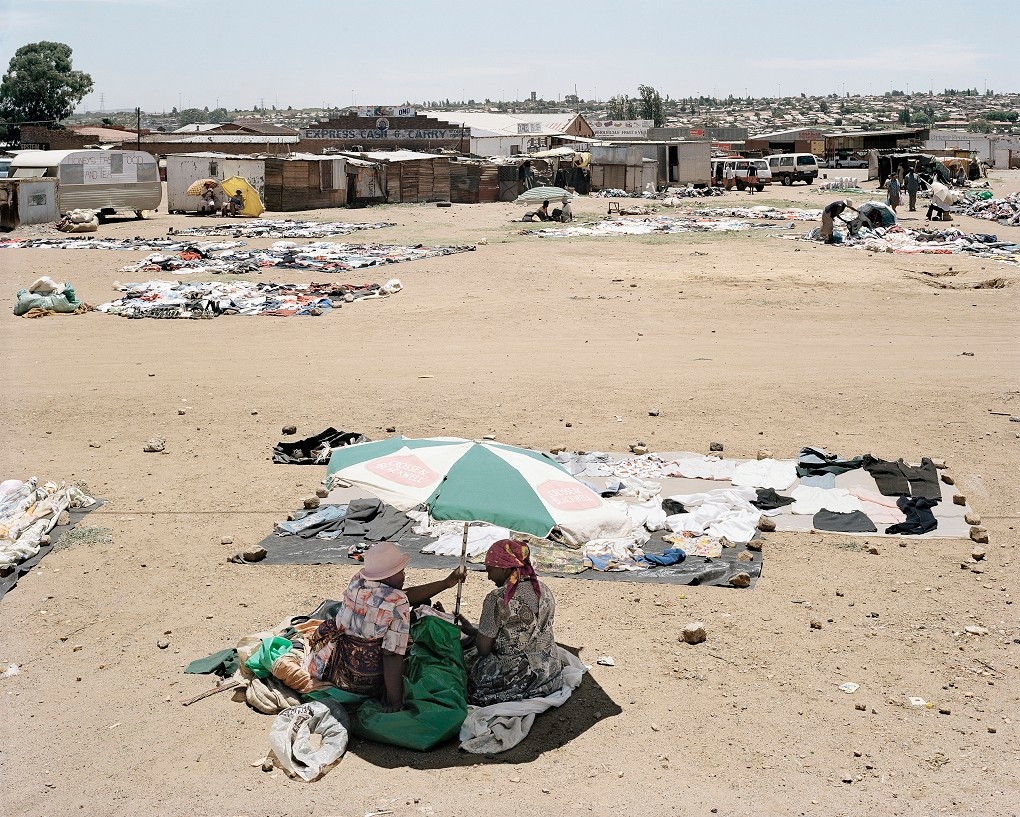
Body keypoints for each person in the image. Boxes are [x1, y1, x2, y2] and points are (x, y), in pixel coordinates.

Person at [303, 541, 465, 712]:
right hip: (358, 682)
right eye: (401, 572)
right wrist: (395, 701)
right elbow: (391, 656)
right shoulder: (397, 603)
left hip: (327, 665)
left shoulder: (358, 580)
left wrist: (446, 583)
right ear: (388, 576)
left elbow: (398, 597)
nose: (404, 576)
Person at [457, 540, 563, 706]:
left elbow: (483, 649)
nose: (488, 576)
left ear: (504, 568)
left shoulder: (497, 598)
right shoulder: (544, 589)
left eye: (490, 570)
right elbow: (524, 632)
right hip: (549, 673)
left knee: (460, 667)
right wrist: (473, 630)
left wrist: (478, 636)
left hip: (518, 678)